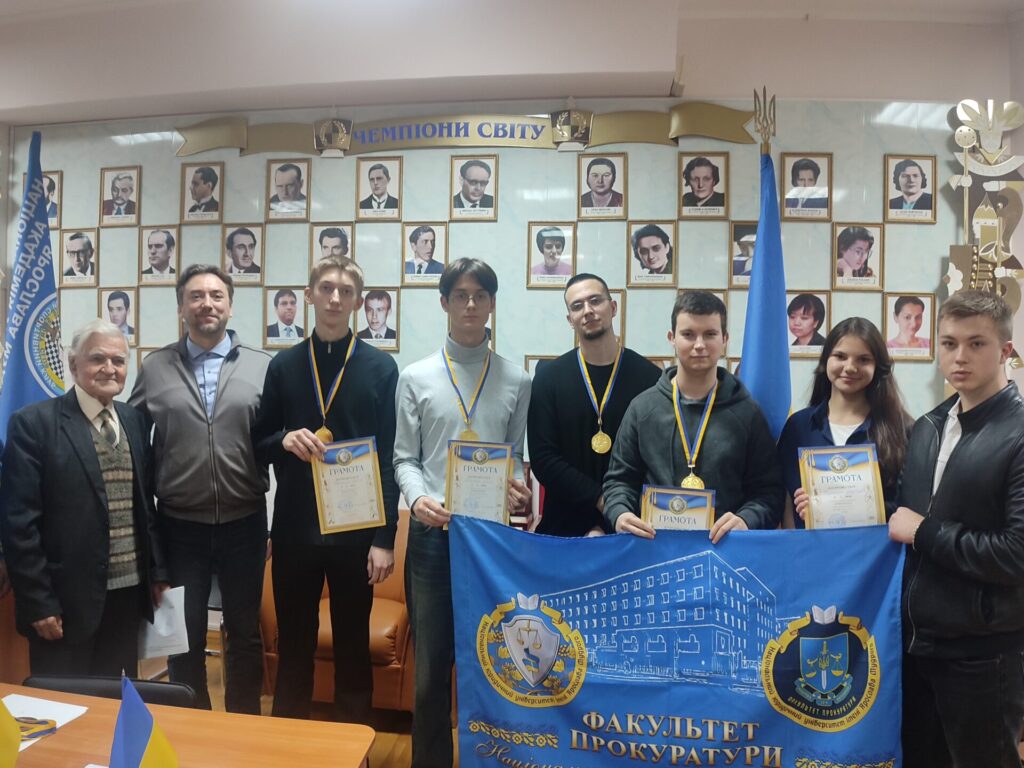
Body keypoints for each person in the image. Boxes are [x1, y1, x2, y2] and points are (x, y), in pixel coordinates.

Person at [394, 258, 532, 767]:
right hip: (434, 534)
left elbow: (515, 453)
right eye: (460, 295)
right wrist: (417, 499)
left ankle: (493, 758)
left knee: (494, 660)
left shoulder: (517, 379)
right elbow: (404, 458)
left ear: (492, 303)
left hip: (492, 541)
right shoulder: (416, 376)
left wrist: (517, 486)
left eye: (480, 295)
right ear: (444, 303)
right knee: (431, 667)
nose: (470, 304)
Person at [253, 256, 399, 723]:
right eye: (327, 288)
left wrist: (384, 538)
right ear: (309, 294)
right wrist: (283, 440)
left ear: (358, 302)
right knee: (294, 643)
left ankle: (354, 743)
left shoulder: (381, 367)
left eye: (346, 291)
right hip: (295, 528)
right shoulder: (284, 365)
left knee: (353, 645)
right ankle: (288, 741)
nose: (335, 298)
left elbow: (390, 456)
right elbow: (258, 443)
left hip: (356, 531)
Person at [888, 290, 1024, 768]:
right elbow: (900, 517)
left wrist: (924, 532)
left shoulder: (1019, 434)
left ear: (1006, 350)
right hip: (916, 643)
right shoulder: (927, 426)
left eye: (976, 344)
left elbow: (1016, 553)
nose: (959, 357)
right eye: (948, 344)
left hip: (984, 651)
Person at [128, 264, 272, 713]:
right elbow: (133, 440)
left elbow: (278, 442)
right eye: (196, 296)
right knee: (184, 637)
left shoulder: (262, 366)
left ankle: (245, 726)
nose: (206, 304)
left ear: (229, 305)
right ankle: (194, 726)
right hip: (179, 527)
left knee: (244, 633)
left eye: (216, 295)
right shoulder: (155, 367)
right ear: (181, 308)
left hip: (245, 522)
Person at [0, 319, 168, 676]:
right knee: (63, 703)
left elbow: (145, 507)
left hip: (128, 596)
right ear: (74, 364)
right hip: (64, 604)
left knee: (115, 700)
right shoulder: (34, 424)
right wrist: (38, 600)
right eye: (97, 359)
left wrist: (157, 571)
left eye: (119, 361)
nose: (109, 368)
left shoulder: (134, 421)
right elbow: (19, 524)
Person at [603, 290, 784, 542]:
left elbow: (769, 492)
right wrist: (620, 514)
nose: (699, 345)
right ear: (672, 338)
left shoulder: (747, 412)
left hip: (723, 549)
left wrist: (747, 519)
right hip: (654, 548)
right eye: (688, 334)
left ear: (725, 339)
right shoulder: (642, 408)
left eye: (710, 334)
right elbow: (619, 482)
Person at [528, 273, 660, 537]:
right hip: (564, 525)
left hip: (631, 524)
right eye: (577, 306)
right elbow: (543, 459)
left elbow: (653, 457)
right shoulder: (547, 379)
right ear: (570, 319)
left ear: (613, 307)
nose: (587, 310)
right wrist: (600, 499)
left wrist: (618, 507)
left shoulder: (651, 378)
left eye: (595, 301)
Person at [777, 317, 911, 528]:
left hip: (877, 548)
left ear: (878, 366)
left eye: (863, 360)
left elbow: (910, 506)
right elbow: (785, 500)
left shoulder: (902, 429)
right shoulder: (798, 426)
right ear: (825, 361)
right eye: (840, 356)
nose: (850, 367)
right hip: (810, 547)